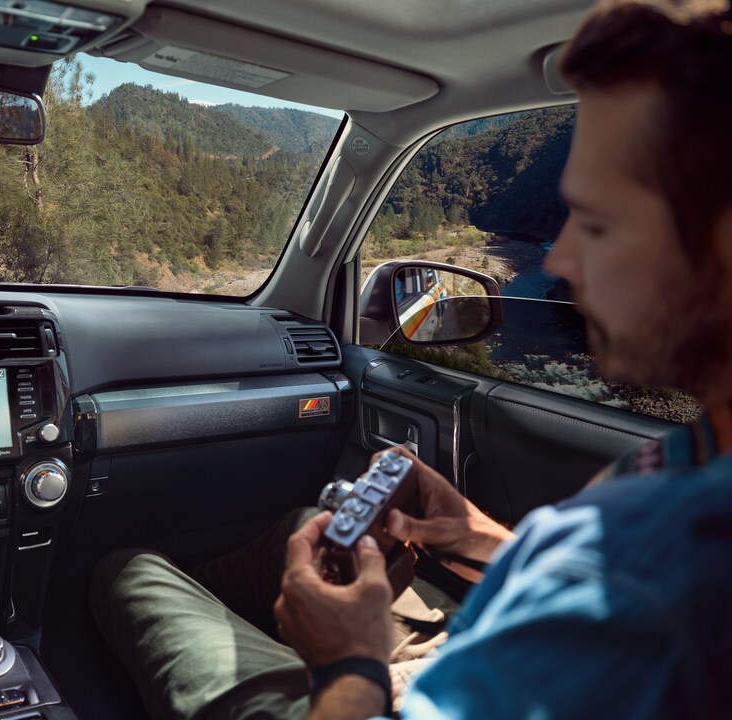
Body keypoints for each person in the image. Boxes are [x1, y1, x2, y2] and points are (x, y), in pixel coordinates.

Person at [91, 1, 732, 717]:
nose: (560, 257)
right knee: (307, 522)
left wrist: (347, 663)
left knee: (130, 573)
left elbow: (628, 592)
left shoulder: (663, 574)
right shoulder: (699, 468)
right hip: (481, 646)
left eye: (598, 223)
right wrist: (484, 539)